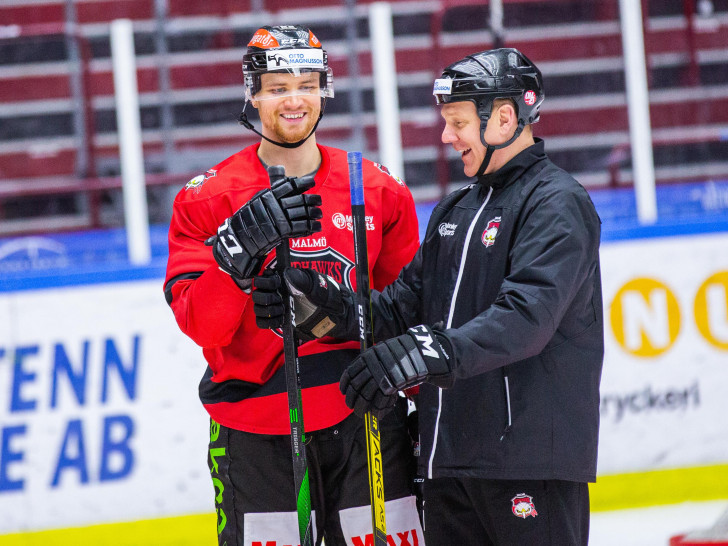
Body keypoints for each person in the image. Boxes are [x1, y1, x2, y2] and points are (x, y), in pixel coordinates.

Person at [254, 48, 604, 545]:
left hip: (527, 463)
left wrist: (425, 352)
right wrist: (321, 303)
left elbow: (527, 318)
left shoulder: (556, 203)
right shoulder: (456, 209)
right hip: (446, 462)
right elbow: (397, 309)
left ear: (504, 118)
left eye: (458, 122)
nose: (446, 136)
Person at [164, 25, 423, 546]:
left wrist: (414, 395)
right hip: (256, 430)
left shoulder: (377, 191)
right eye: (278, 87)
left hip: (367, 422)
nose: (294, 100)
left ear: (324, 90)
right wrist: (233, 259)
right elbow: (204, 328)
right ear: (252, 94)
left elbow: (409, 312)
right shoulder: (206, 200)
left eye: (306, 84)